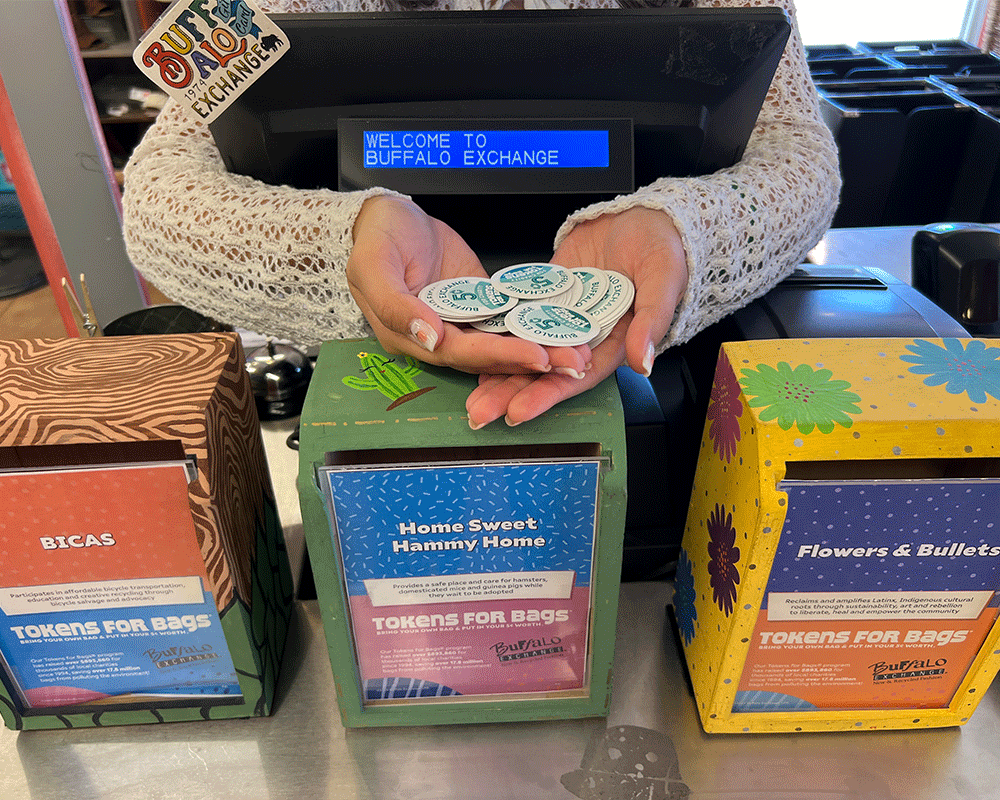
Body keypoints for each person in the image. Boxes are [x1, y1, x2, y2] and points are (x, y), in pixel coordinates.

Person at [122, 0, 841, 429]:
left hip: (641, 371)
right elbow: (159, 197)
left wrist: (683, 229)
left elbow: (801, 160)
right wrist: (343, 241)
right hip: (371, 382)